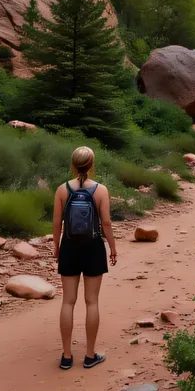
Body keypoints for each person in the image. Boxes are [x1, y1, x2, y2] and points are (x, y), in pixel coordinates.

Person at [53, 145, 117, 371]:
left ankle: (67, 356)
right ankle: (90, 355)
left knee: (68, 301)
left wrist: (56, 248)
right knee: (92, 301)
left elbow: (57, 223)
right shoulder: (101, 190)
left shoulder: (62, 190)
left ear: (73, 164)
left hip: (69, 247)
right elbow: (106, 223)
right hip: (92, 248)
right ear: (91, 165)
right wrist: (112, 247)